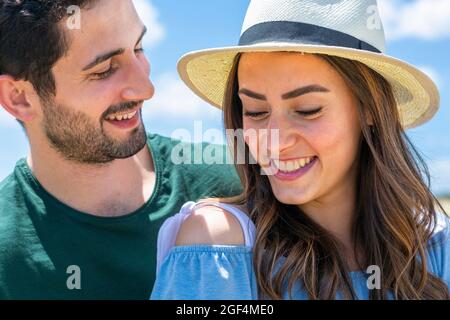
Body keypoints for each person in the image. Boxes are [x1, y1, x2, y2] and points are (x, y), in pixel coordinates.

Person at [151, 0, 450, 300]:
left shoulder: (434, 245)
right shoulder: (219, 248)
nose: (275, 142)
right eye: (255, 111)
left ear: (369, 109)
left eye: (307, 110)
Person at [0, 0, 241, 299]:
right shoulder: (6, 255)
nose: (146, 88)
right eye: (104, 70)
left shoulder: (240, 186)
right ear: (19, 97)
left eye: (138, 49)